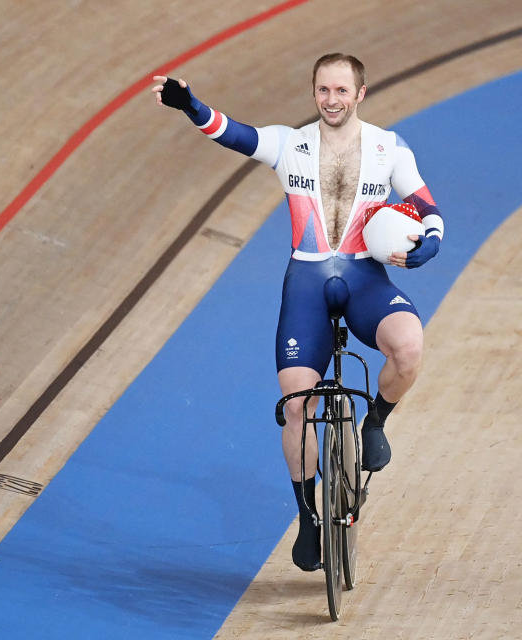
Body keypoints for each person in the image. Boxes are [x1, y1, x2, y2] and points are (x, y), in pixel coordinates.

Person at [151, 53, 444, 571]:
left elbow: (426, 206)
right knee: (296, 407)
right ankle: (309, 517)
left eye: (341, 91)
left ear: (360, 93)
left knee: (409, 346)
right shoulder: (291, 143)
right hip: (306, 284)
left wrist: (431, 243)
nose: (332, 100)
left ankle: (374, 423)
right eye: (323, 91)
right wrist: (191, 106)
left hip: (363, 279)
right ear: (315, 93)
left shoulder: (388, 147)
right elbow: (233, 133)